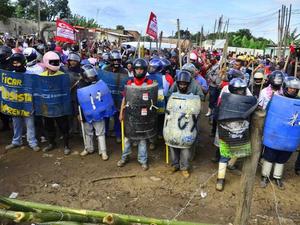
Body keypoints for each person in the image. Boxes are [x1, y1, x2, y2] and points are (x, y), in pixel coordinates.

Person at [215, 77, 255, 191]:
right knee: (224, 155)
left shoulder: (248, 99)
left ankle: (231, 165)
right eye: (238, 90)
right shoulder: (225, 98)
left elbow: (253, 108)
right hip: (226, 130)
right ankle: (220, 179)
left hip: (241, 130)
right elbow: (217, 114)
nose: (240, 92)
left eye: (242, 90)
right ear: (232, 89)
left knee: (239, 150)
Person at [260, 77, 300, 189]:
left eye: (295, 89)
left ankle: (277, 177)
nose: (292, 90)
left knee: (283, 157)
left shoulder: (298, 101)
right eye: (290, 88)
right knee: (269, 155)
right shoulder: (277, 98)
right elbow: (268, 113)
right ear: (286, 87)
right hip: (274, 132)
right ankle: (265, 176)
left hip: (290, 135)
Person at [117, 58, 153, 170]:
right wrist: (121, 112)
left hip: (143, 115)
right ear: (134, 70)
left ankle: (143, 160)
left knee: (142, 139)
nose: (139, 71)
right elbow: (124, 98)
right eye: (137, 69)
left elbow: (152, 101)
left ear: (145, 70)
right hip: (130, 114)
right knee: (128, 138)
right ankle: (124, 157)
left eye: (141, 69)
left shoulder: (149, 83)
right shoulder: (129, 82)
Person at [166, 70, 202, 178]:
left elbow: (201, 97)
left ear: (188, 83)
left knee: (185, 146)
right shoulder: (174, 88)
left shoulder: (195, 86)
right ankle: (175, 164)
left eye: (184, 84)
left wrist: (192, 100)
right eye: (180, 84)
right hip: (174, 121)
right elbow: (169, 96)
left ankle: (184, 167)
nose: (182, 86)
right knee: (172, 144)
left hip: (187, 122)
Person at [5, 53, 40, 151]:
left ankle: (32, 142)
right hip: (15, 103)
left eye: (18, 62)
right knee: (16, 123)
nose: (16, 65)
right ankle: (16, 141)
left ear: (23, 62)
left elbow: (35, 88)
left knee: (30, 123)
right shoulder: (10, 75)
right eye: (14, 63)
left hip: (27, 103)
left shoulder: (30, 74)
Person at [40, 51, 71, 155]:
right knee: (49, 126)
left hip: (60, 105)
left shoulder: (63, 75)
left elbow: (66, 91)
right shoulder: (41, 76)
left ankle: (66, 145)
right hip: (47, 105)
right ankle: (51, 143)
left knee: (63, 125)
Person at [75, 64, 109, 160]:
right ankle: (88, 148)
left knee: (100, 132)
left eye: (93, 74)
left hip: (97, 111)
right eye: (90, 75)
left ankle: (103, 151)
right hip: (85, 112)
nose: (92, 76)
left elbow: (103, 96)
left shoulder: (98, 83)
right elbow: (77, 100)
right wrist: (77, 113)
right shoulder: (79, 85)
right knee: (87, 131)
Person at [0, 45, 13, 131]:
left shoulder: (13, 63)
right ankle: (5, 124)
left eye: (3, 55)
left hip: (10, 89)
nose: (2, 56)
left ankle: (9, 121)